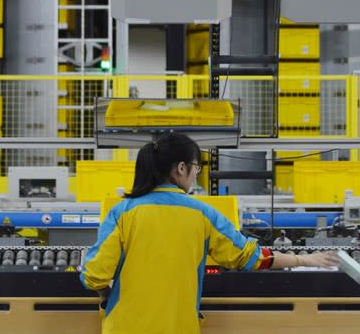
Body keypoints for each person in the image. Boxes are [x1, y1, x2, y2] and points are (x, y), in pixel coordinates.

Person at [80, 132, 338, 334]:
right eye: (196, 168)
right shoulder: (203, 214)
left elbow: (93, 274)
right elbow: (249, 256)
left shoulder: (121, 212)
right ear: (181, 168)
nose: (195, 175)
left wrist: (106, 293)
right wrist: (304, 259)